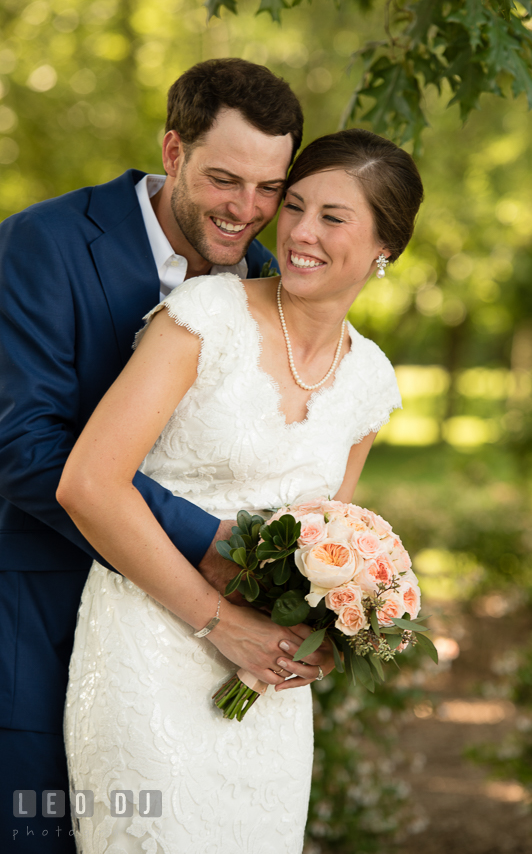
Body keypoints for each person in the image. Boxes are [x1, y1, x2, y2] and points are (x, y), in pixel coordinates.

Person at [57, 128, 424, 853]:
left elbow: (323, 534)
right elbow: (88, 484)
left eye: (332, 217)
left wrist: (330, 626)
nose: (298, 233)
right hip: (146, 650)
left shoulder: (370, 383)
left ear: (385, 247)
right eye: (294, 207)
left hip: (267, 694)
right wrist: (218, 624)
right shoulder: (204, 316)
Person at [0, 58, 330, 853]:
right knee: (40, 831)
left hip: (177, 648)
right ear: (173, 150)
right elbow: (24, 448)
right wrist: (211, 542)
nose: (246, 210)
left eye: (267, 190)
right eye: (224, 179)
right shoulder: (42, 242)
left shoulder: (260, 276)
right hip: (44, 611)